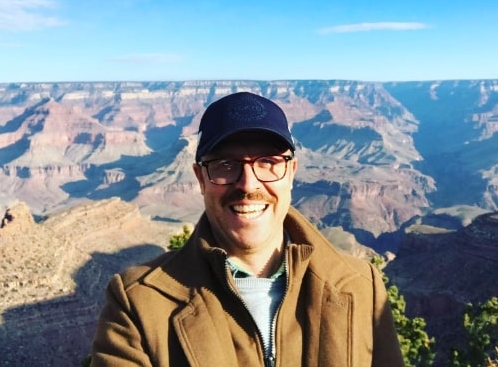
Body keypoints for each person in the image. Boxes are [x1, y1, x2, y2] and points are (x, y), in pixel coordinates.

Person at [90, 91, 404, 366]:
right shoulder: (139, 305)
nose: (248, 184)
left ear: (291, 173)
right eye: (226, 165)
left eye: (268, 162)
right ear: (200, 179)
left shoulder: (362, 286)